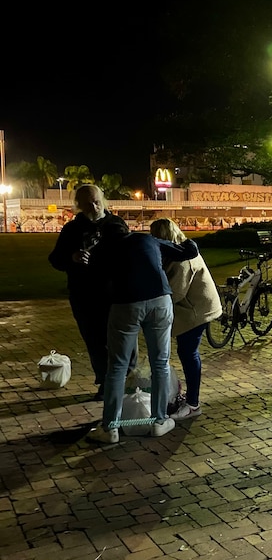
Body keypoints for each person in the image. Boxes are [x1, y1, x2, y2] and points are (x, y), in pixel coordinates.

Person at [85, 222, 200, 444]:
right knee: (160, 363)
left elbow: (94, 283)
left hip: (125, 304)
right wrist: (185, 238)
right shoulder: (146, 239)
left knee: (117, 366)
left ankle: (111, 427)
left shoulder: (101, 249)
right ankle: (158, 421)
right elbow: (189, 251)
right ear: (127, 229)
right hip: (160, 300)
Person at [48, 184, 136, 400]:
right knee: (95, 341)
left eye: (96, 201)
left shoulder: (116, 224)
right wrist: (73, 257)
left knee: (125, 339)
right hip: (84, 295)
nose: (94, 206)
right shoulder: (72, 229)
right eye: (88, 204)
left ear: (103, 200)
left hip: (116, 294)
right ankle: (105, 382)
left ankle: (130, 380)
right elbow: (55, 259)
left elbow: (131, 255)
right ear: (78, 205)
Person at [150, 218, 222, 420]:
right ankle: (190, 399)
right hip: (194, 308)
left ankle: (193, 403)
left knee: (188, 353)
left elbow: (175, 293)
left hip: (196, 311)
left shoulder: (182, 259)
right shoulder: (180, 251)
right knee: (187, 352)